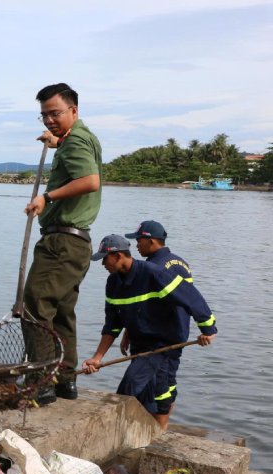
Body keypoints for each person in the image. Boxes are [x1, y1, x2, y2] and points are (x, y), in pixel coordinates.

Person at [81, 235, 216, 429]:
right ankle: (151, 432)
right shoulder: (113, 284)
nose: (102, 263)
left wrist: (208, 328)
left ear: (118, 256)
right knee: (153, 391)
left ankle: (132, 433)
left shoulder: (154, 273)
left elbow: (191, 297)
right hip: (140, 342)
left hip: (163, 343)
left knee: (131, 387)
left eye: (105, 258)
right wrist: (98, 357)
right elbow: (112, 324)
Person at [23, 83, 103, 404]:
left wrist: (46, 196)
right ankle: (64, 381)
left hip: (62, 241)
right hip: (76, 244)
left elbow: (89, 180)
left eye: (55, 113)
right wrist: (56, 142)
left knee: (34, 305)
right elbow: (73, 154)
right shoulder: (76, 139)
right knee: (61, 312)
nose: (49, 120)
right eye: (44, 116)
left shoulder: (77, 142)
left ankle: (40, 382)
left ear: (74, 110)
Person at [119, 220, 193, 427]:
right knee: (166, 380)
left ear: (151, 241)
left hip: (160, 336)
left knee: (159, 384)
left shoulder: (154, 268)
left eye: (139, 241)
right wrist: (129, 331)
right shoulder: (179, 262)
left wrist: (132, 330)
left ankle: (159, 430)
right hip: (176, 331)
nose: (136, 246)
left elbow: (148, 305)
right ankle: (160, 426)